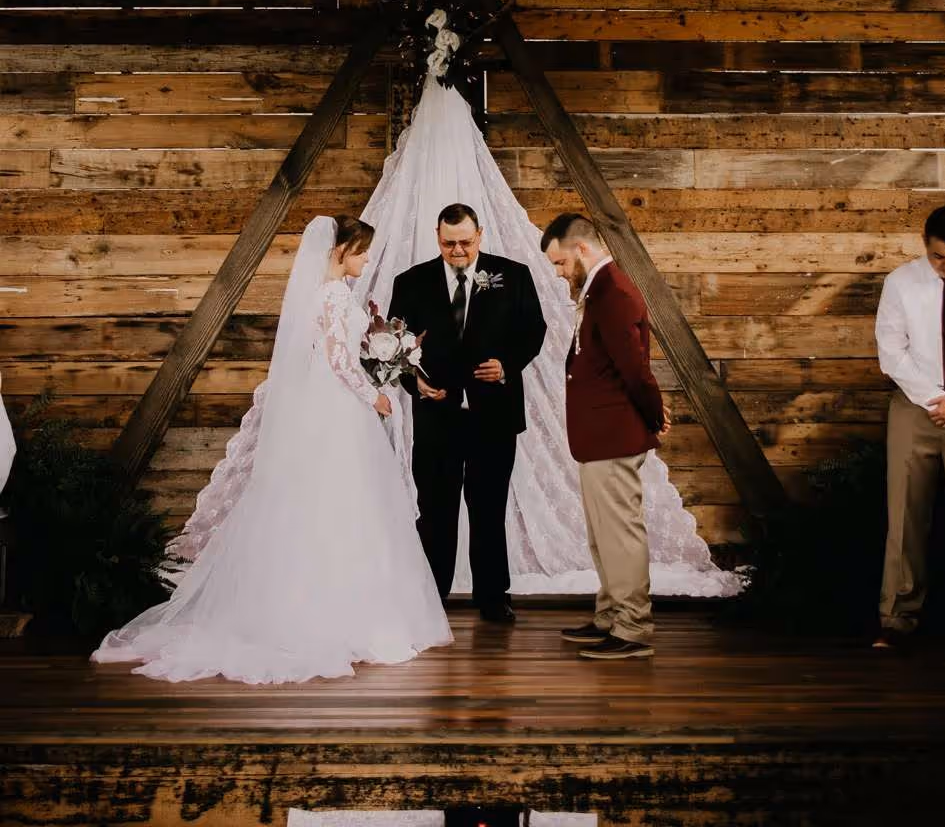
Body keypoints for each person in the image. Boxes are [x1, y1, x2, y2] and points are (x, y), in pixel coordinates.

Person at [92, 215, 452, 682]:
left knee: (335, 505)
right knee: (343, 505)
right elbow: (339, 361)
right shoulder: (333, 295)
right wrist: (374, 395)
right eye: (361, 252)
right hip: (338, 409)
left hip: (327, 406)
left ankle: (337, 607)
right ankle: (339, 616)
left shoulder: (324, 294)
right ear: (340, 251)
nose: (367, 260)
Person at [389, 202, 547, 622]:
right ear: (437, 237)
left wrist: (507, 365)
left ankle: (493, 596)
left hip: (493, 415)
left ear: (480, 235)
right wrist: (414, 382)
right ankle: (431, 596)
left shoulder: (512, 275)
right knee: (436, 509)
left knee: (489, 507)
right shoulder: (411, 282)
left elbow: (534, 330)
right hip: (437, 417)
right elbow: (394, 343)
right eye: (448, 243)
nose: (457, 251)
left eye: (464, 242)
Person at [542, 213, 668, 661]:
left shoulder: (613, 292)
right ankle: (610, 615)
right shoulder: (597, 290)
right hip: (599, 437)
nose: (559, 274)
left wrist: (654, 417)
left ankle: (633, 627)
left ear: (581, 249)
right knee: (602, 535)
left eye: (560, 263)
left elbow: (634, 369)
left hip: (614, 436)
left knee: (620, 534)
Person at [874, 203, 945, 649]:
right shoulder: (900, 283)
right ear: (925, 245)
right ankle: (897, 621)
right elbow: (891, 350)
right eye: (938, 256)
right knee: (904, 518)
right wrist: (933, 400)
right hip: (912, 406)